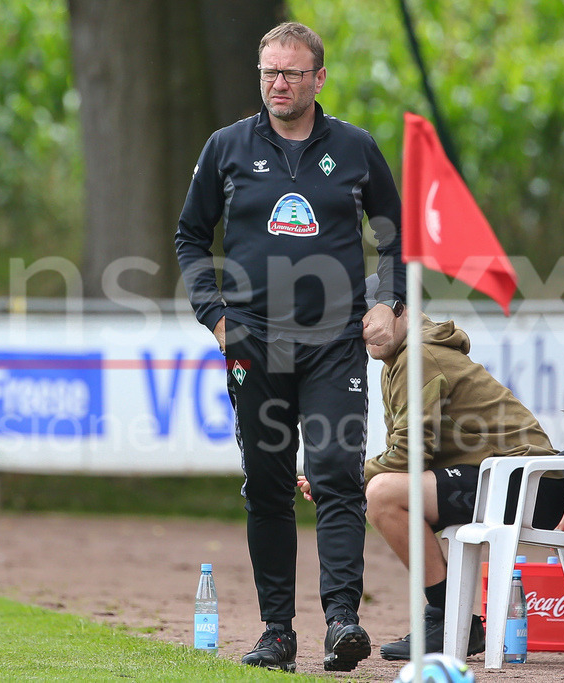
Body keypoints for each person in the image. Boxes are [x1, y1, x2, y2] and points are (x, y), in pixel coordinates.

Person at [174, 21, 405, 673]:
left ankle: (342, 621)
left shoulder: (356, 148)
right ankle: (277, 631)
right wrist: (215, 316)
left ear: (318, 78)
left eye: (292, 73)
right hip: (255, 345)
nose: (279, 83)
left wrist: (386, 300)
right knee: (269, 484)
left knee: (334, 472)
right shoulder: (226, 148)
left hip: (335, 343)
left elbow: (395, 235)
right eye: (269, 72)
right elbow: (190, 236)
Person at [299, 308, 564, 660]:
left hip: (530, 484)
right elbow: (405, 455)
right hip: (507, 477)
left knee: (382, 495)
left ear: (403, 311)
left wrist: (339, 480)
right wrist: (344, 480)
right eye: (357, 320)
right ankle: (452, 619)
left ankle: (449, 619)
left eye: (373, 314)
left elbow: (408, 456)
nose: (364, 327)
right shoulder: (401, 360)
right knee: (384, 491)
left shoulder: (418, 355)